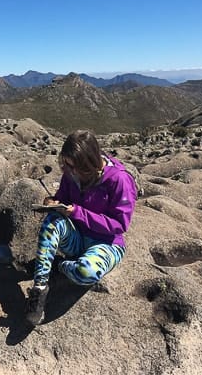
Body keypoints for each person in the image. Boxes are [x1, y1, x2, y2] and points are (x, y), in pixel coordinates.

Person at [24, 129, 137, 326]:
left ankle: (60, 266)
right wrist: (53, 202)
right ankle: (40, 288)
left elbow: (120, 224)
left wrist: (77, 213)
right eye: (67, 165)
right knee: (52, 220)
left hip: (106, 244)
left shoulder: (119, 180)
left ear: (90, 162)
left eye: (76, 167)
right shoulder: (71, 174)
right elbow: (64, 199)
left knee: (86, 273)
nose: (71, 171)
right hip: (76, 238)